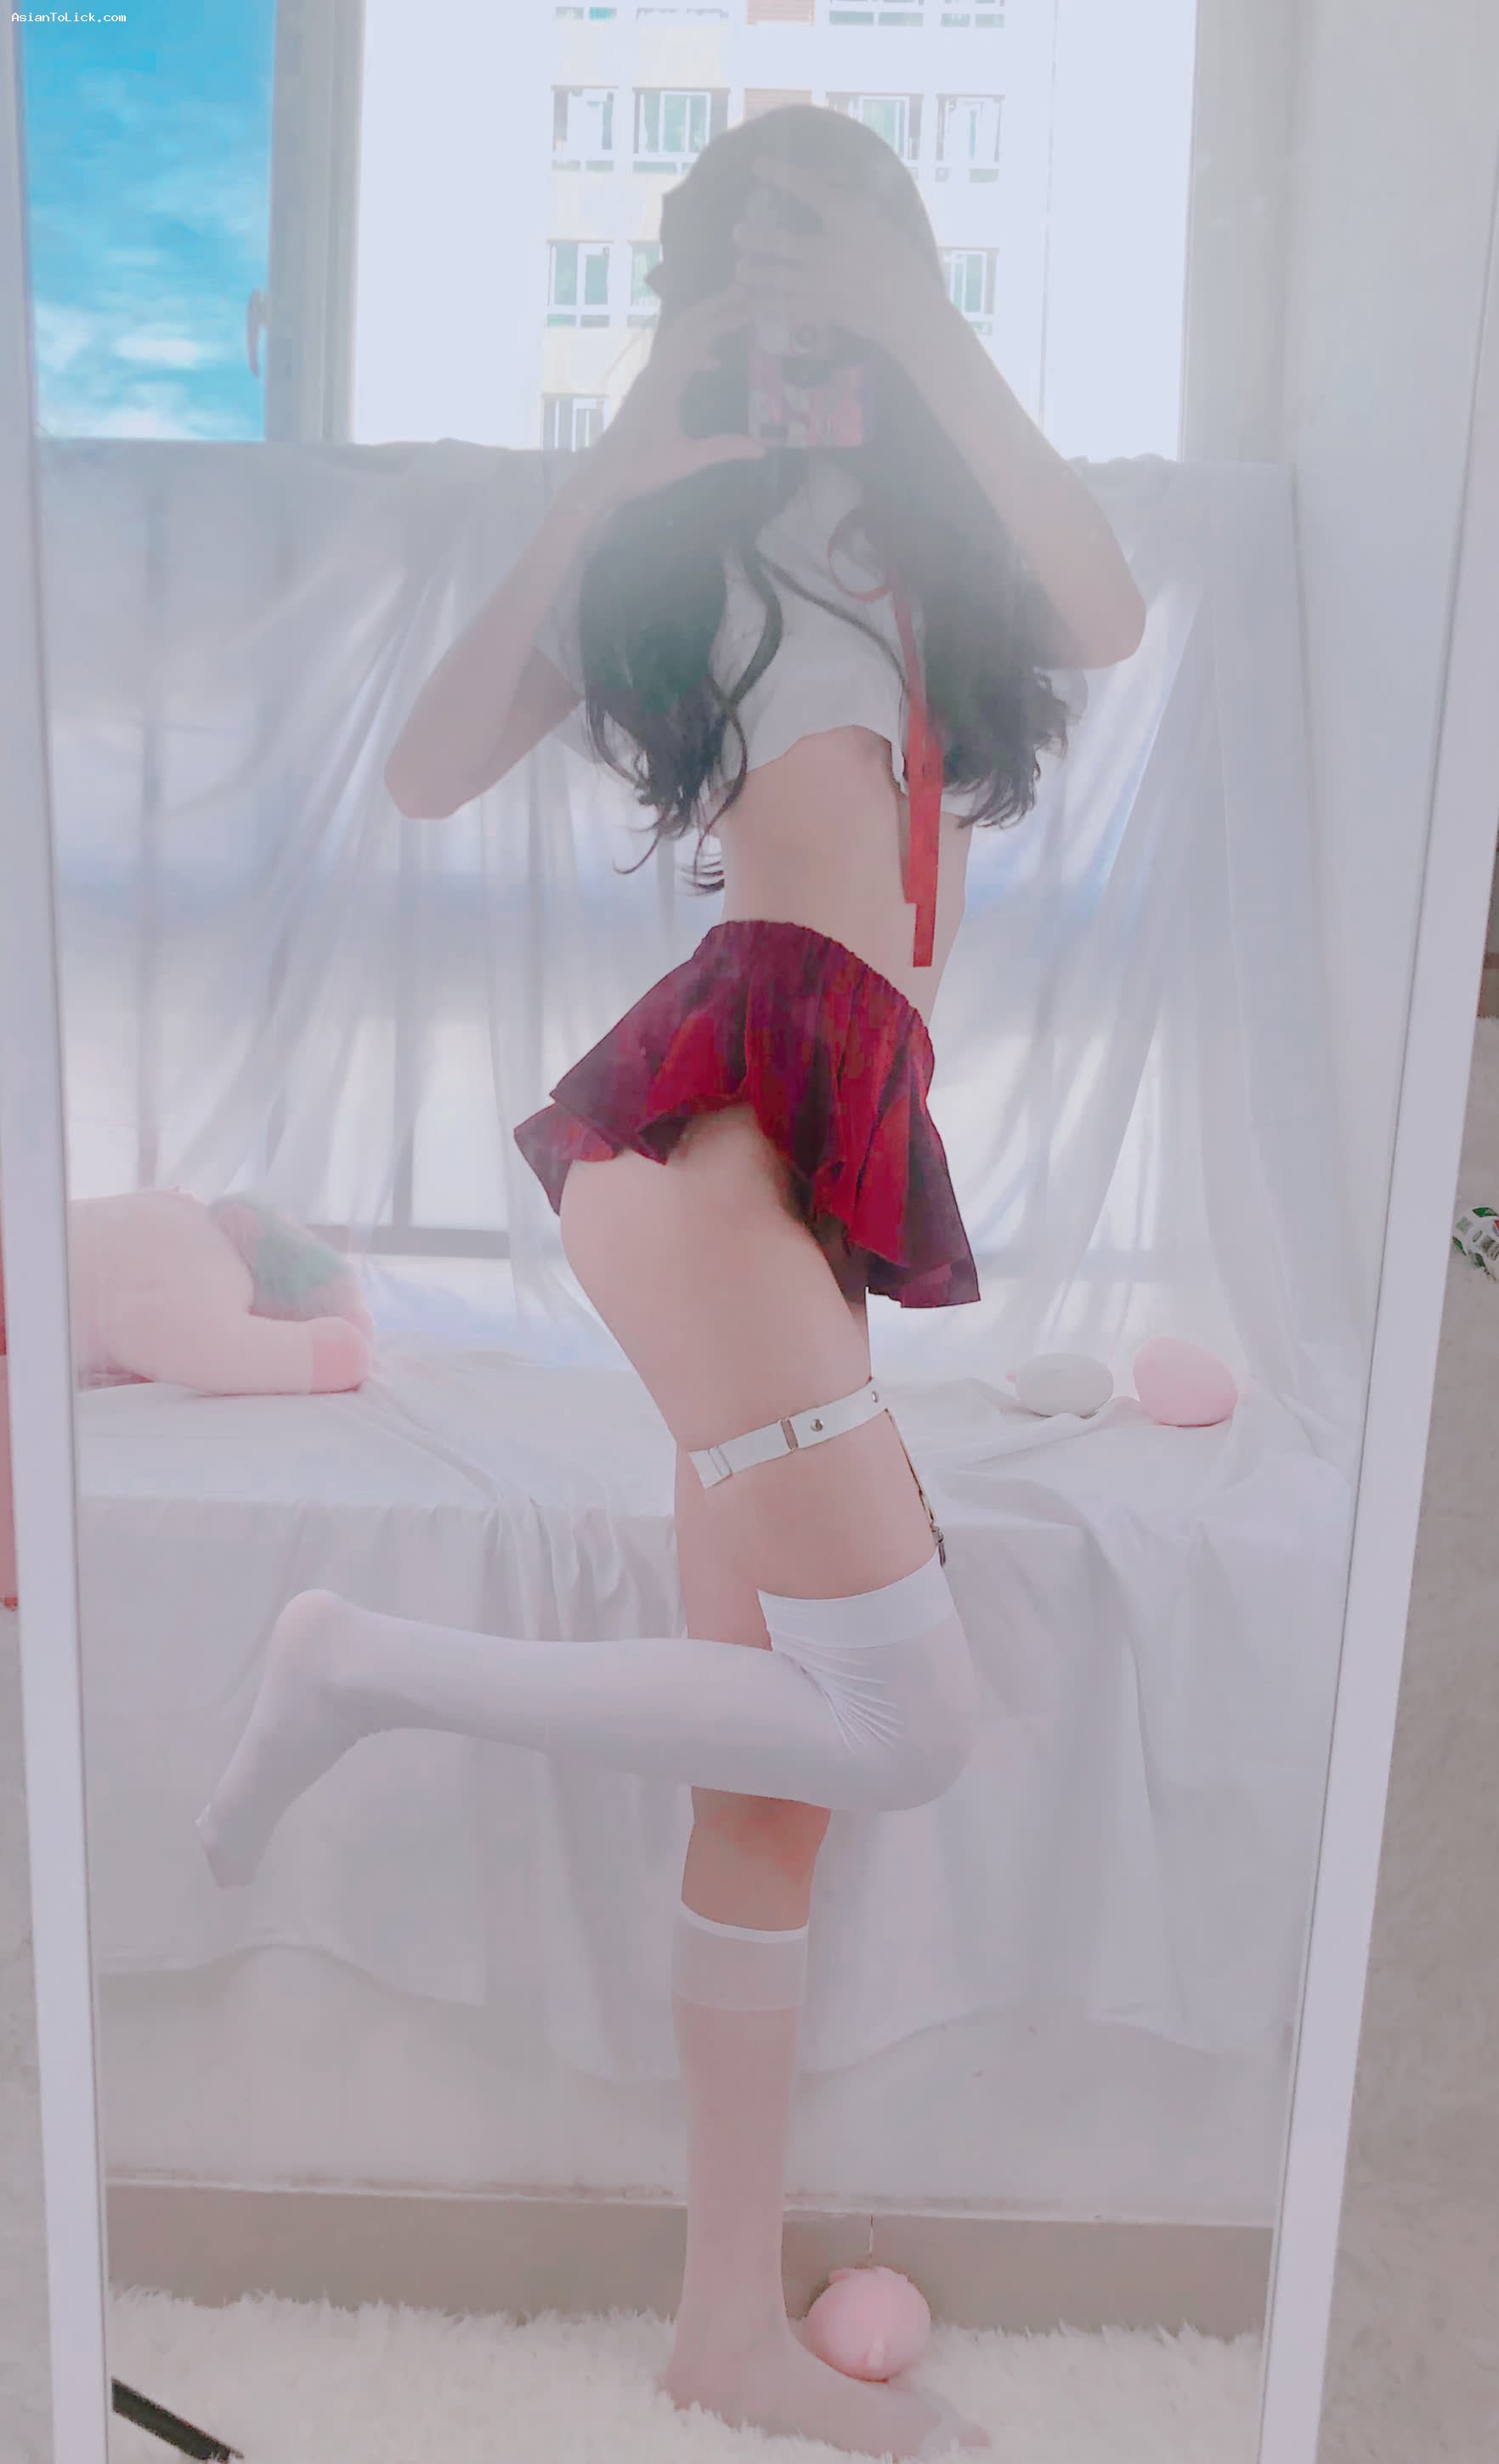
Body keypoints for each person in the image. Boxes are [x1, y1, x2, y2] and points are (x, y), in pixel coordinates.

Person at [197, 105, 1145, 2459]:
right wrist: (635, 437)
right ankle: (352, 1667)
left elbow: (1113, 607)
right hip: (723, 1133)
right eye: (757, 267)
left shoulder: (938, 544)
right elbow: (428, 769)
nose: (804, 315)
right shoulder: (689, 530)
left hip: (803, 1170)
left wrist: (913, 331)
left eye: (841, 265)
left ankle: (723, 2330)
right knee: (901, 1722)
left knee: (774, 1785)